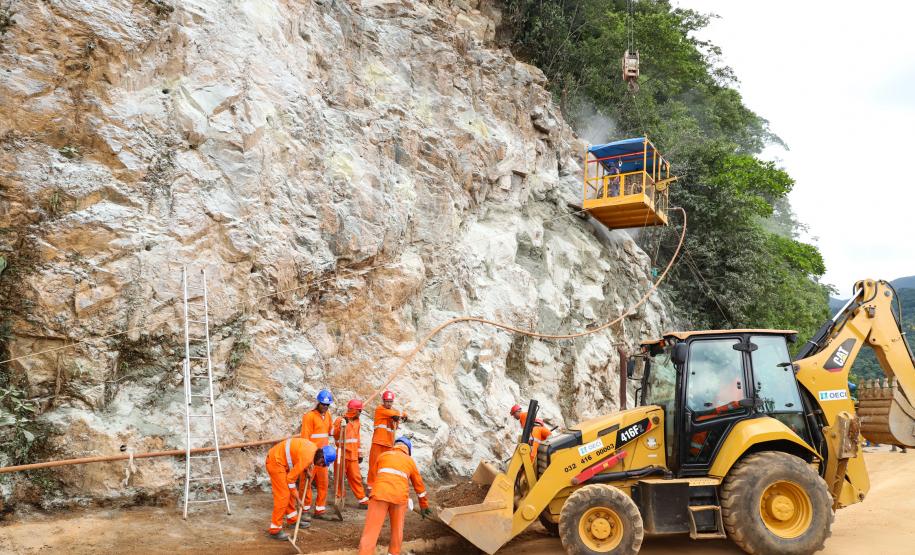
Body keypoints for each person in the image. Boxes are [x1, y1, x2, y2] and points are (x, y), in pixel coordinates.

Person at [358, 437, 431, 555]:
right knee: (397, 531)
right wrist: (424, 505)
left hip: (380, 495)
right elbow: (419, 487)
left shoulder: (383, 456)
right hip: (399, 498)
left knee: (371, 532)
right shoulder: (410, 461)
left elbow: (372, 478)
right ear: (408, 450)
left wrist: (372, 493)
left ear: (395, 446)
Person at [265, 437, 336, 540]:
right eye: (322, 463)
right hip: (275, 462)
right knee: (283, 495)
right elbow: (290, 480)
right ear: (321, 457)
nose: (321, 466)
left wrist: (306, 470)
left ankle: (292, 519)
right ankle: (275, 530)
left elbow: (298, 457)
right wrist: (298, 498)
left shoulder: (313, 450)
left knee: (288, 493)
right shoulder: (308, 457)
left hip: (279, 460)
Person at [301, 389, 334, 518]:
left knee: (323, 482)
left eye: (327, 405)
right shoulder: (309, 416)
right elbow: (305, 438)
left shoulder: (328, 416)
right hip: (312, 456)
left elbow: (331, 431)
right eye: (323, 404)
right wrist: (307, 458)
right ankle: (304, 509)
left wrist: (340, 425)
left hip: (324, 456)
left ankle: (320, 509)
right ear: (318, 403)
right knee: (306, 482)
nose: (325, 407)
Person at [367, 390, 407, 490]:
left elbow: (395, 423)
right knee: (374, 466)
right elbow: (394, 414)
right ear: (383, 401)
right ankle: (371, 487)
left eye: (390, 401)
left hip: (389, 444)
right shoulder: (380, 410)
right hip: (378, 442)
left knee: (386, 467)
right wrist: (402, 415)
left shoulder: (393, 413)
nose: (388, 403)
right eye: (387, 401)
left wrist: (399, 418)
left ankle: (383, 486)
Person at [333, 399, 369, 508]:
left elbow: (357, 439)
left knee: (356, 477)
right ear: (353, 410)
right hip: (341, 453)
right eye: (359, 411)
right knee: (339, 477)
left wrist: (359, 453)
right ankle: (339, 498)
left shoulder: (357, 422)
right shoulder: (340, 420)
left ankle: (362, 499)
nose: (360, 413)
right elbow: (334, 434)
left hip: (353, 455)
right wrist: (341, 426)